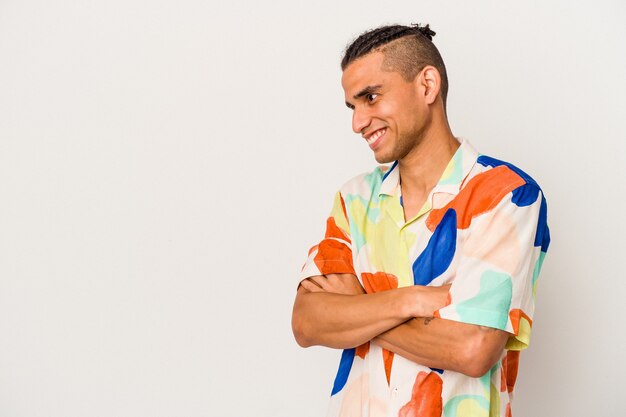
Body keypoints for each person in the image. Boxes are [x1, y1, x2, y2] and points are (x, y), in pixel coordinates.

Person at [291, 23, 550, 417]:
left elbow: (472, 348)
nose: (358, 122)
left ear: (427, 86)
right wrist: (408, 300)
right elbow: (307, 322)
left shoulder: (506, 195)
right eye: (353, 106)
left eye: (371, 98)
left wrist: (358, 309)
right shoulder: (353, 200)